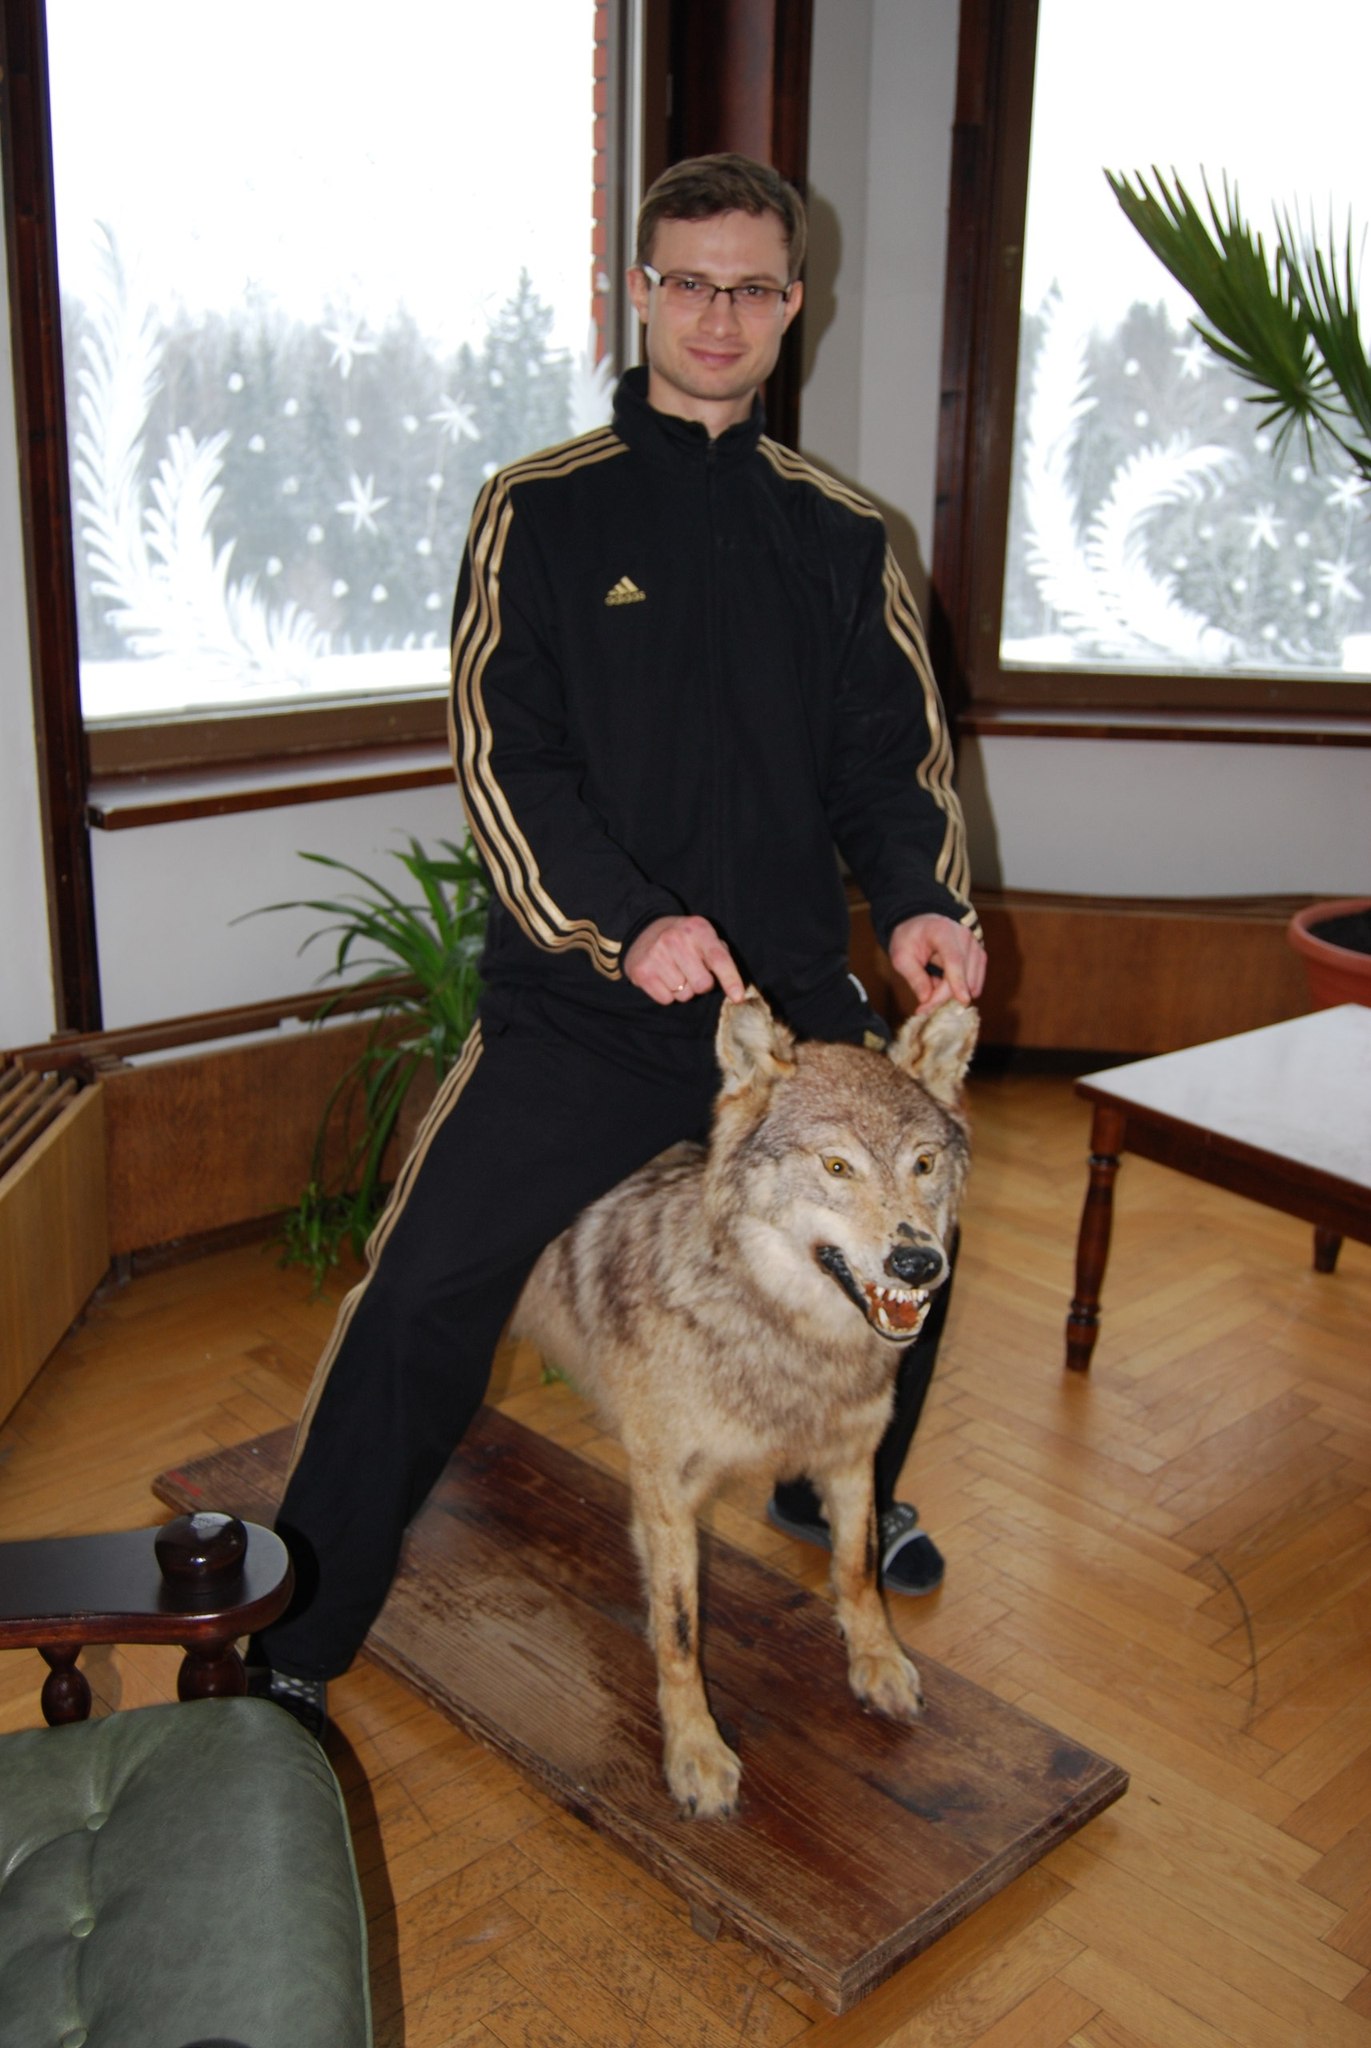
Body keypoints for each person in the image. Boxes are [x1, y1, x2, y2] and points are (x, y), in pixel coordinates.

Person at [249, 154, 986, 1738]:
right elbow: (505, 763)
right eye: (689, 282)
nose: (719, 315)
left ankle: (834, 1488)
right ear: (639, 293)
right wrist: (628, 923)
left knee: (907, 1243)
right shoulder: (540, 507)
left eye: (752, 287)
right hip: (585, 1004)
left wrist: (925, 898)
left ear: (793, 305)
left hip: (790, 1019)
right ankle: (296, 1631)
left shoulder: (842, 536)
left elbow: (892, 767)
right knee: (423, 1294)